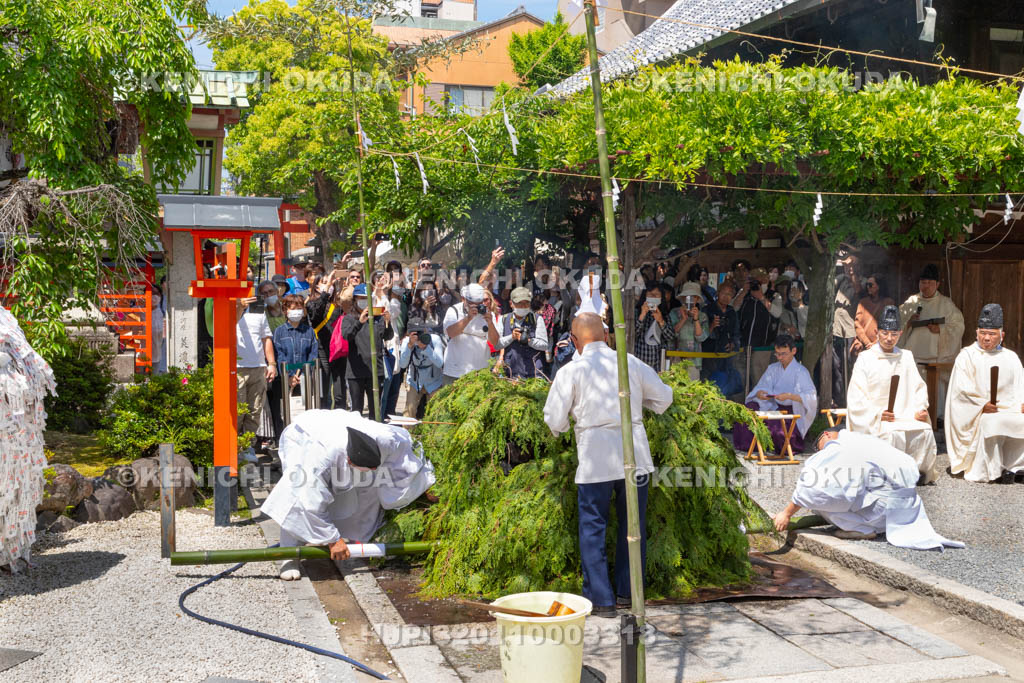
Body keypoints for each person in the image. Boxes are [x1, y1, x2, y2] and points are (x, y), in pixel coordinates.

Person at [542, 313, 674, 617]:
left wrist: (566, 425)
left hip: (595, 458)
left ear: (575, 341)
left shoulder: (572, 370)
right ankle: (629, 592)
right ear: (606, 335)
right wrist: (639, 404)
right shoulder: (631, 363)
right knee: (633, 526)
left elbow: (554, 419)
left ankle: (601, 599)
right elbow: (664, 398)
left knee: (593, 526)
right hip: (635, 455)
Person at [261, 410, 436, 579]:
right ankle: (289, 554)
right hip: (305, 437)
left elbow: (407, 457)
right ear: (350, 461)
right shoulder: (319, 461)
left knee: (369, 489)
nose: (373, 470)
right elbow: (308, 503)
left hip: (339, 429)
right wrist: (333, 540)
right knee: (296, 499)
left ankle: (365, 537)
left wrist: (424, 483)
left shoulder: (386, 439)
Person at [772, 430, 964, 549]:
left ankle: (862, 529)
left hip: (882, 509)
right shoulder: (864, 441)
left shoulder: (837, 447)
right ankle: (873, 524)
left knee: (819, 504)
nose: (821, 450)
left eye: (820, 445)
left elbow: (816, 489)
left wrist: (786, 513)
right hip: (907, 508)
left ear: (828, 435)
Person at [846, 306, 937, 484]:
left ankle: (917, 473)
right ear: (877, 332)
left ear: (900, 334)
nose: (889, 338)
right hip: (876, 419)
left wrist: (920, 409)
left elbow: (918, 387)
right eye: (885, 333)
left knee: (924, 431)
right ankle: (886, 475)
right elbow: (857, 396)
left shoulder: (906, 357)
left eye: (894, 334)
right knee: (890, 434)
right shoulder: (866, 358)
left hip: (906, 416)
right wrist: (877, 414)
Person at [945, 304, 1024, 483]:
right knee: (992, 421)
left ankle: (1016, 467)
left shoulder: (1010, 357)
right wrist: (981, 406)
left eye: (992, 334)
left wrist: (1022, 403)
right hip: (983, 411)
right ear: (976, 333)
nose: (986, 338)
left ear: (1002, 335)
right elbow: (961, 391)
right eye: (983, 333)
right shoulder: (967, 356)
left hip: (1010, 408)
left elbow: (1021, 384)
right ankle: (993, 471)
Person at [898, 264, 965, 418]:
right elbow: (897, 325)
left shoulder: (946, 304)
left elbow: (958, 326)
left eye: (929, 283)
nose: (926, 286)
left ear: (937, 284)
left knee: (936, 394)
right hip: (914, 357)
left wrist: (940, 330)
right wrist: (909, 322)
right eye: (923, 282)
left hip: (935, 359)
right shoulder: (911, 302)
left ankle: (937, 419)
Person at [733, 334, 817, 454]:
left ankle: (776, 445)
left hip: (791, 410)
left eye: (783, 354)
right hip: (772, 404)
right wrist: (760, 394)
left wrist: (789, 396)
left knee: (778, 430)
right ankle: (748, 445)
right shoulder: (772, 368)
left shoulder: (801, 372)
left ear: (793, 351)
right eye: (777, 354)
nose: (780, 357)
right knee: (749, 409)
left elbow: (810, 397)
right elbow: (762, 387)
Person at [236, 292, 277, 462]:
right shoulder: (229, 307)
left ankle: (248, 446)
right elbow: (226, 326)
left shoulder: (258, 311)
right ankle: (235, 447)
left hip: (258, 367)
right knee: (238, 411)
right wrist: (239, 307)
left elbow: (266, 338)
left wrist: (271, 363)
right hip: (237, 368)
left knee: (255, 410)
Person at [342, 283, 393, 420]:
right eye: (361, 298)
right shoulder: (348, 318)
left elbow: (388, 336)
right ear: (355, 299)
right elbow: (346, 336)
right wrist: (359, 322)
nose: (364, 301)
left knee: (375, 411)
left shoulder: (377, 318)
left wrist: (387, 323)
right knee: (356, 412)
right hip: (355, 372)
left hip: (375, 370)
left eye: (367, 298)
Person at [442, 283, 500, 384]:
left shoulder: (488, 314)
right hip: (454, 371)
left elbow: (495, 342)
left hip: (480, 372)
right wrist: (468, 318)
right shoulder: (454, 311)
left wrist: (490, 323)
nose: (476, 307)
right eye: (471, 303)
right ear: (463, 299)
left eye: (479, 303)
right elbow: (450, 333)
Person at [273, 294, 320, 401]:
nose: (296, 311)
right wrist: (289, 375)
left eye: (299, 309)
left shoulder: (309, 331)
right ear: (285, 310)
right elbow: (279, 355)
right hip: (285, 381)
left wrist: (304, 374)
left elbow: (313, 354)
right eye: (293, 309)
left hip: (305, 380)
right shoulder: (279, 331)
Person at [496, 287, 549, 379]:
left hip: (533, 371)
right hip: (511, 371)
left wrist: (529, 341)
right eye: (519, 303)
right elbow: (497, 345)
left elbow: (544, 345)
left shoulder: (537, 319)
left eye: (526, 303)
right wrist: (512, 337)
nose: (523, 306)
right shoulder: (503, 319)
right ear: (511, 304)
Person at [399, 329, 445, 419]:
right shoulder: (407, 341)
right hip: (414, 381)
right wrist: (409, 346)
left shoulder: (434, 339)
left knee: (435, 413)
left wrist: (426, 348)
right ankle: (408, 428)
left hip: (433, 382)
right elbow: (403, 365)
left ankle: (431, 428)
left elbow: (440, 363)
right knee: (409, 412)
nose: (419, 337)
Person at [670, 282, 708, 380]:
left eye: (693, 297)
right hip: (676, 358)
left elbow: (701, 337)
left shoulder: (702, 316)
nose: (690, 299)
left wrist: (696, 319)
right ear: (683, 298)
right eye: (687, 297)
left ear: (697, 299)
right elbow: (670, 334)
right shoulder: (674, 312)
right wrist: (683, 318)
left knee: (692, 386)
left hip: (694, 360)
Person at [702, 282, 740, 381]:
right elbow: (701, 334)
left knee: (724, 383)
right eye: (723, 293)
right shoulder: (708, 309)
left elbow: (736, 332)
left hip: (726, 355)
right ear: (718, 293)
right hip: (709, 354)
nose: (726, 297)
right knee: (707, 382)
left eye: (729, 294)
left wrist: (733, 344)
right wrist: (712, 326)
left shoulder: (732, 312)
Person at [634, 284, 676, 371]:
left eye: (656, 294)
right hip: (639, 363)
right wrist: (642, 315)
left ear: (661, 298)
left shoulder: (665, 315)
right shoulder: (636, 312)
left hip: (658, 364)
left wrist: (661, 321)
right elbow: (632, 336)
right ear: (645, 296)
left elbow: (670, 337)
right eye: (650, 294)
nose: (653, 296)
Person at [853, 273, 895, 355]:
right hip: (864, 347)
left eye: (870, 285)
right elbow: (857, 324)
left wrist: (876, 343)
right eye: (867, 285)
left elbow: (889, 325)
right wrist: (867, 343)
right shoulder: (863, 302)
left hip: (881, 347)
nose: (868, 287)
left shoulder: (888, 303)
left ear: (879, 286)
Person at [150, 284, 166, 374]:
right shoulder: (139, 311)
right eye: (152, 293)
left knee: (154, 375)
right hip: (141, 353)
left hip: (157, 351)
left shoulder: (161, 313)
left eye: (157, 294)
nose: (154, 296)